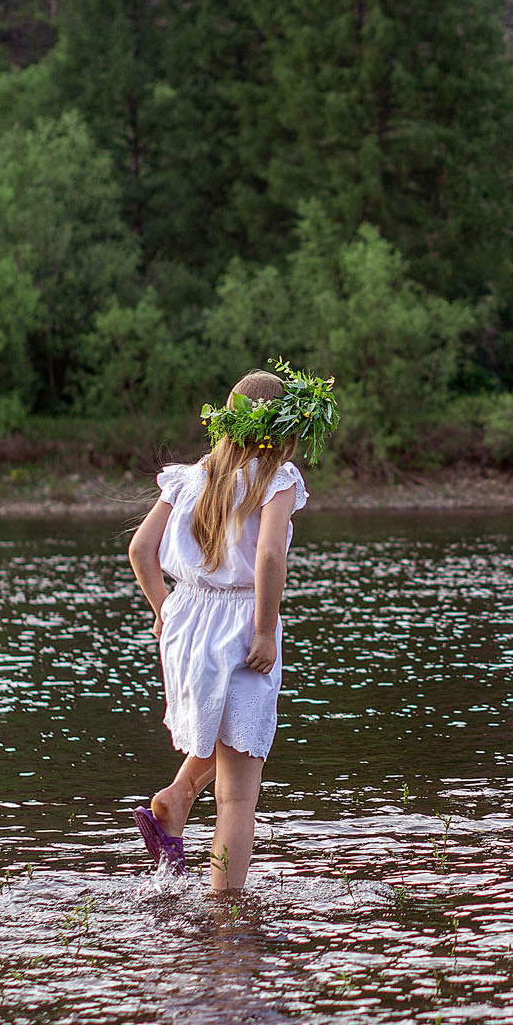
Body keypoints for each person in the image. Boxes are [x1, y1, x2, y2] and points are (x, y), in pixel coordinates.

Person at [126, 362, 335, 890]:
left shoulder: (192, 475)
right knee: (239, 793)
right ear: (285, 430)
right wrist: (264, 630)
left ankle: (175, 801)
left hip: (188, 619)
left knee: (223, 736)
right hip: (241, 619)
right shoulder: (277, 478)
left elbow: (140, 549)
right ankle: (228, 915)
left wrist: (162, 609)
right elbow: (268, 555)